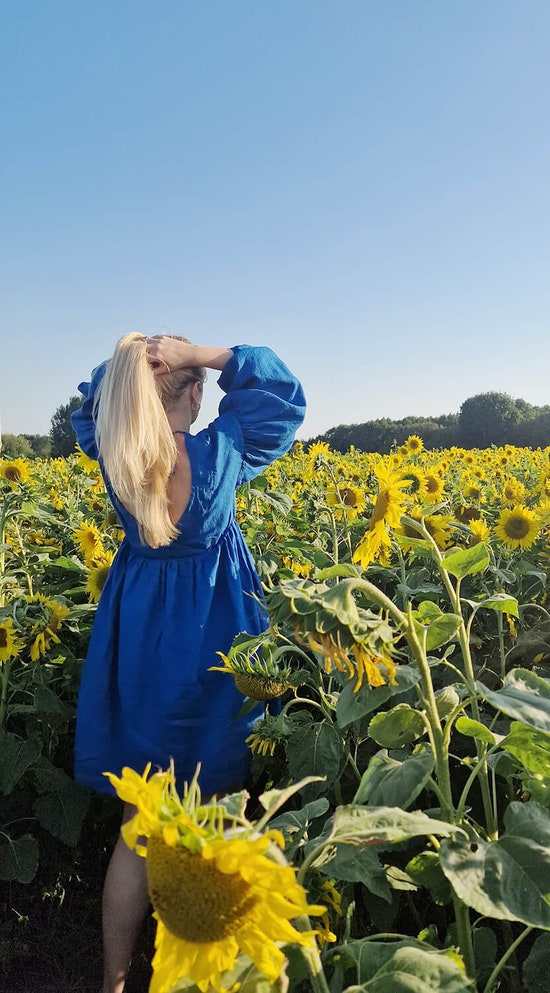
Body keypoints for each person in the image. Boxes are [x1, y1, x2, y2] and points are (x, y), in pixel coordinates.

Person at [70, 333, 306, 993]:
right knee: (221, 815)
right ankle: (210, 975)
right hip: (215, 637)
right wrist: (207, 353)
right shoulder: (221, 453)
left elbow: (93, 403)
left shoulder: (118, 460)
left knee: (138, 826)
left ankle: (115, 981)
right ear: (196, 393)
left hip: (142, 644)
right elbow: (285, 400)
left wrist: (133, 363)